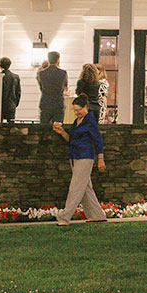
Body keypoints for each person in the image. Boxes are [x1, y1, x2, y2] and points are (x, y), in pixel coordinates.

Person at [50, 95, 107, 225]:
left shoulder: (91, 122)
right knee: (86, 187)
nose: (76, 113)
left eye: (78, 110)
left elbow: (98, 141)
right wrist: (62, 132)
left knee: (75, 187)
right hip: (75, 155)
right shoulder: (77, 122)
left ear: (85, 107)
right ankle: (97, 215)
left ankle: (65, 217)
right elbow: (71, 139)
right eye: (74, 110)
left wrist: (100, 158)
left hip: (85, 156)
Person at [37, 51, 68, 124]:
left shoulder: (42, 73)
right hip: (58, 103)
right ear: (58, 59)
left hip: (45, 102)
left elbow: (41, 87)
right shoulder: (63, 73)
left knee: (44, 127)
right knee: (58, 127)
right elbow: (64, 86)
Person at [0, 56, 21, 123]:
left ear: (0, 65)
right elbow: (18, 92)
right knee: (11, 125)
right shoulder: (15, 77)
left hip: (0, 104)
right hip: (11, 104)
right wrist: (15, 103)